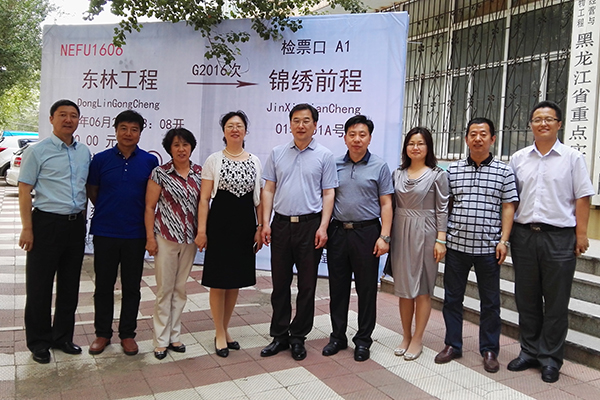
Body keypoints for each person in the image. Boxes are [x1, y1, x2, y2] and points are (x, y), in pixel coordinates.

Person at [507, 101, 593, 383]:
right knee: (526, 298)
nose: (542, 124)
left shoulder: (572, 158)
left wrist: (581, 234)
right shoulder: (518, 158)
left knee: (556, 301)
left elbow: (583, 197)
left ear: (559, 124)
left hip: (559, 237)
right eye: (537, 119)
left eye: (548, 119)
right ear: (530, 124)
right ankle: (529, 351)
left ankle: (551, 359)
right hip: (524, 235)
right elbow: (510, 200)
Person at [434, 117, 518, 373]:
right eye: (473, 134)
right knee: (452, 299)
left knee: (490, 303)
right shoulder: (453, 170)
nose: (478, 138)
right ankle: (453, 344)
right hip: (457, 247)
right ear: (466, 139)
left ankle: (489, 350)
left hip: (489, 249)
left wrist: (504, 240)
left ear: (493, 139)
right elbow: (445, 206)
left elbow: (508, 207)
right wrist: (442, 238)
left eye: (483, 134)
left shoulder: (504, 171)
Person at [260, 103, 338, 361]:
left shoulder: (325, 156)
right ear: (290, 124)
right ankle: (279, 335)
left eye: (306, 121)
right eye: (296, 120)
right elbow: (269, 189)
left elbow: (328, 193)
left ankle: (298, 337)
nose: (301, 125)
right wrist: (265, 223)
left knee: (307, 285)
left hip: (310, 226)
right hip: (281, 225)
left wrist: (323, 226)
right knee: (280, 284)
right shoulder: (277, 153)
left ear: (315, 125)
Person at [18, 99, 91, 364]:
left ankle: (62, 337)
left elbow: (85, 189)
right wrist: (27, 228)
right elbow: (24, 190)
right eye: (62, 115)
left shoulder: (84, 152)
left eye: (73, 115)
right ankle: (39, 342)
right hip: (46, 224)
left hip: (74, 225)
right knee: (39, 286)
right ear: (51, 119)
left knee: (70, 286)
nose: (68, 120)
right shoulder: (37, 151)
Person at [87, 110, 158, 356]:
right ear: (115, 130)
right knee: (103, 286)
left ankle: (127, 334)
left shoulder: (149, 161)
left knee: (132, 287)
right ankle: (102, 333)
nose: (128, 133)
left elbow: (152, 199)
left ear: (140, 133)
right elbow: (93, 191)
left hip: (135, 233)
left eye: (134, 129)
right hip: (105, 231)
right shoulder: (100, 160)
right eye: (124, 128)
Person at [322, 115, 393, 362]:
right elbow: (327, 196)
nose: (357, 139)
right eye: (352, 134)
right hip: (338, 232)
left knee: (366, 289)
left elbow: (386, 203)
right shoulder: (334, 164)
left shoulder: (380, 166)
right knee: (338, 288)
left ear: (370, 138)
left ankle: (363, 340)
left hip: (367, 233)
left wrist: (385, 236)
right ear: (345, 138)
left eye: (362, 135)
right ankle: (337, 337)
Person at [196, 111, 263, 358]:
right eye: (230, 126)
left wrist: (260, 227)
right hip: (219, 226)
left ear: (246, 131)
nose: (235, 129)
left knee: (235, 280)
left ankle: (224, 329)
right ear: (224, 131)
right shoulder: (213, 160)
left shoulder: (255, 160)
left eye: (239, 125)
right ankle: (219, 332)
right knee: (218, 281)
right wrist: (202, 230)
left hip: (245, 226)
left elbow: (258, 199)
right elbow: (204, 199)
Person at [388, 127, 448, 361]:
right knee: (404, 289)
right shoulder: (397, 173)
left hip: (426, 232)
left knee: (422, 289)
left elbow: (442, 209)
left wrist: (441, 239)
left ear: (428, 147)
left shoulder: (437, 175)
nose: (415, 147)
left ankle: (418, 338)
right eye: (411, 143)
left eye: (420, 143)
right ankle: (405, 335)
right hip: (400, 231)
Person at [145, 128, 202, 360]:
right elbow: (150, 207)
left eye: (185, 144)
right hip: (165, 238)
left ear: (191, 147)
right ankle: (160, 340)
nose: (181, 149)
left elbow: (204, 205)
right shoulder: (160, 173)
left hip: (190, 240)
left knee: (180, 288)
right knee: (164, 290)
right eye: (176, 145)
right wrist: (150, 238)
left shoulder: (200, 173)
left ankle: (174, 336)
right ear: (169, 148)